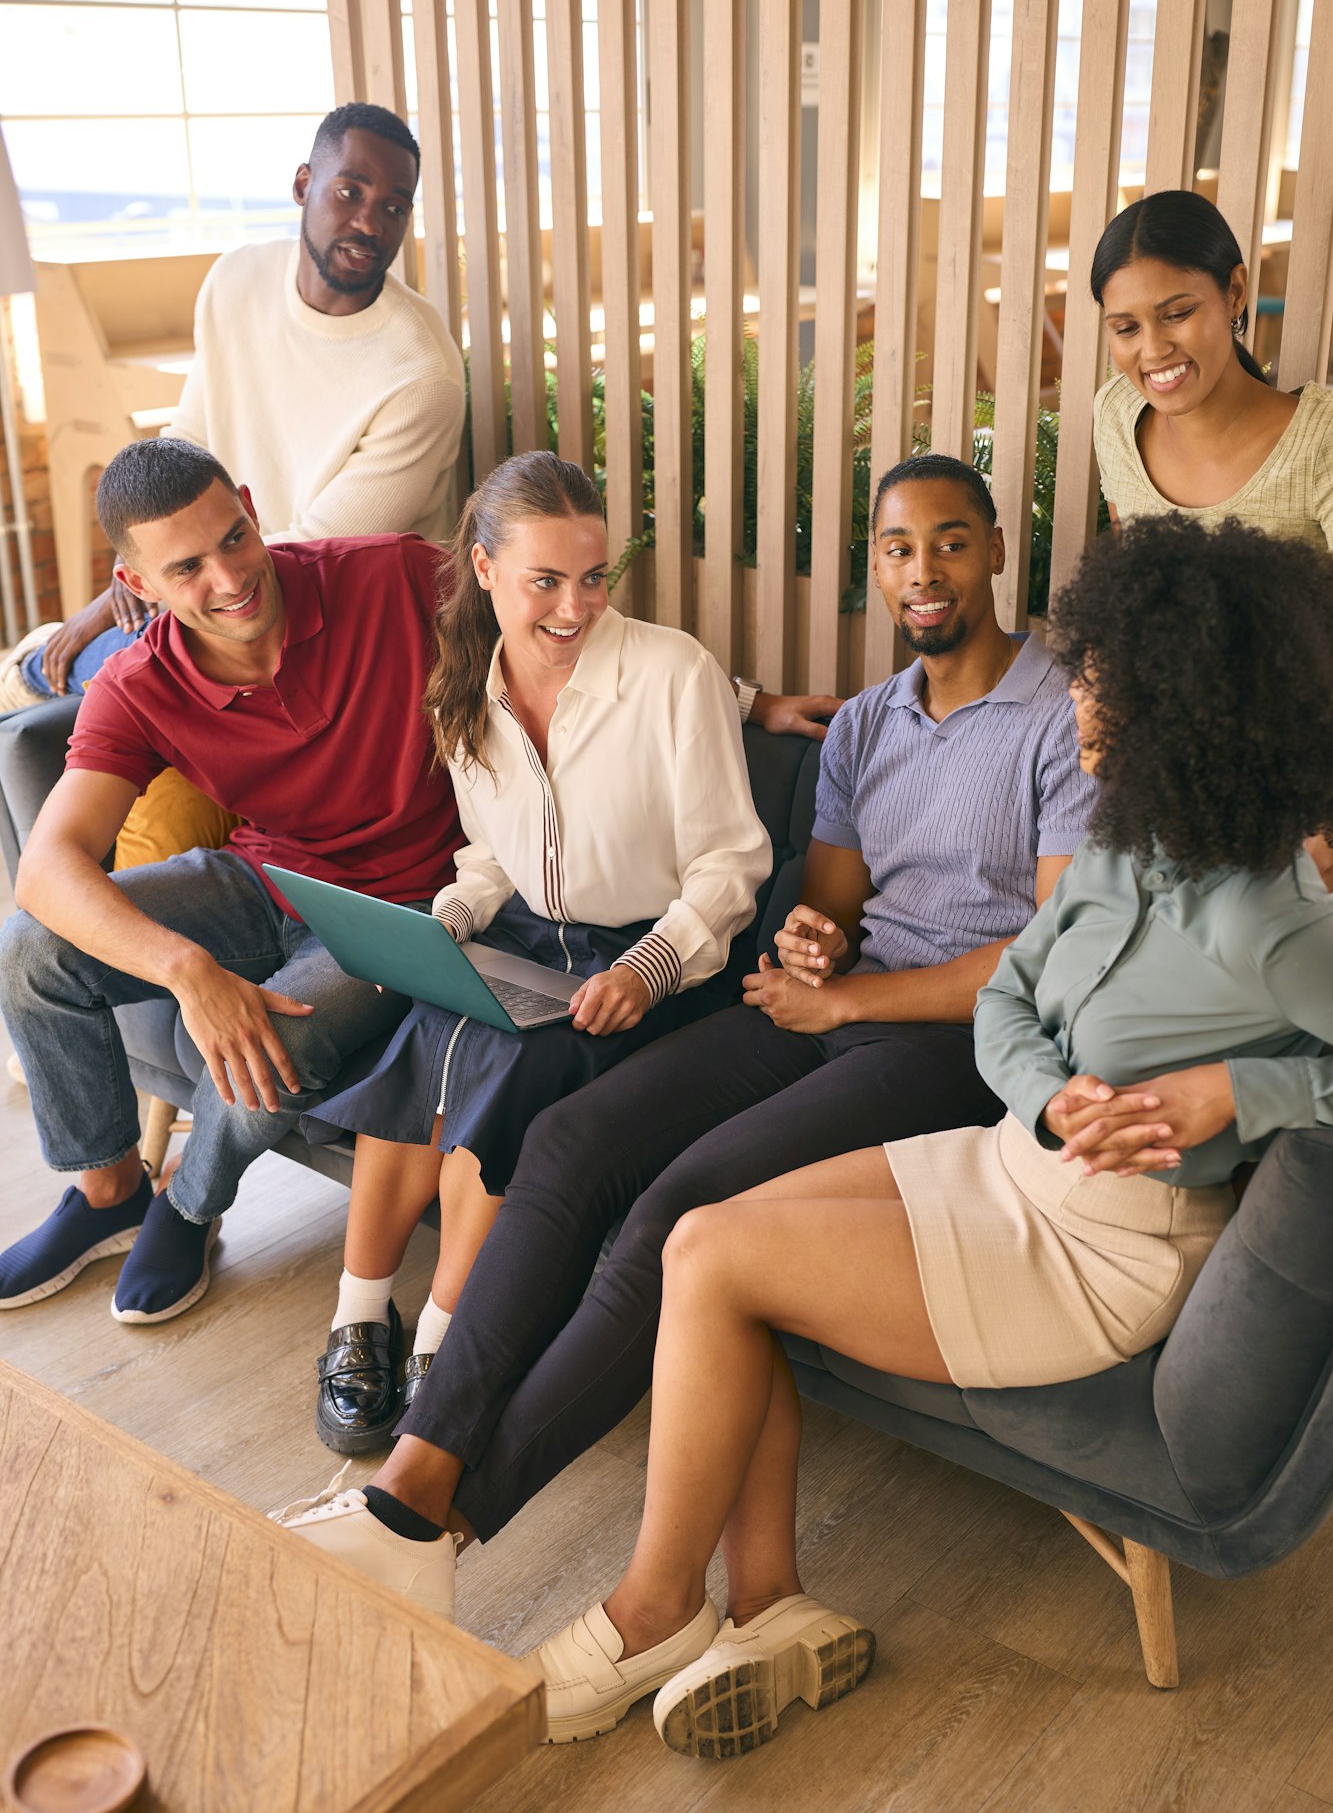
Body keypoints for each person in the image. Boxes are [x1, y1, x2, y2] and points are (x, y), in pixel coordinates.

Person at [511, 512, 1333, 1756]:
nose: (1078, 694)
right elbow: (1006, 999)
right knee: (703, 1235)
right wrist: (1046, 1090)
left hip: (1099, 1249)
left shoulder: (1281, 910)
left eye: (1102, 675)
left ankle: (652, 1611)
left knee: (717, 1264)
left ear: (1184, 695)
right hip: (1007, 1162)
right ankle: (771, 1606)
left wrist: (1239, 1092)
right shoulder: (1125, 837)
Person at [272, 452, 1097, 1617]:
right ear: (877, 563)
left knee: (672, 1207)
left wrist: (840, 997)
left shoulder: (1063, 715)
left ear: (999, 550)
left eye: (953, 541)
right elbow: (831, 910)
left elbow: (1048, 959)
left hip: (953, 1047)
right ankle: (413, 1468)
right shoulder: (863, 727)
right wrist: (816, 948)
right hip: (822, 1012)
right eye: (901, 547)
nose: (925, 571)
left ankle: (427, 1519)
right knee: (564, 1142)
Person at [301, 450, 771, 1456]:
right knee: (428, 1033)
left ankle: (443, 1339)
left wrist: (646, 969)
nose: (574, 605)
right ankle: (358, 1312)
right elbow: (489, 856)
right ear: (484, 569)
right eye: (545, 580)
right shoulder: (464, 693)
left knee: (508, 1065)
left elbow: (730, 867)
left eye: (593, 576)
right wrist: (453, 917)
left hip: (654, 959)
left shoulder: (671, 673)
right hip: (526, 940)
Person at [0, 438, 462, 1322]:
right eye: (187, 567)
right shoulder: (139, 683)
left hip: (403, 905)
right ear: (136, 586)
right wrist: (188, 971)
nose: (229, 578)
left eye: (235, 538)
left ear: (250, 506)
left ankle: (186, 1204)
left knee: (265, 1050)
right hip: (262, 880)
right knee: (30, 949)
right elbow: (48, 867)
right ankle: (108, 1196)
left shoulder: (392, 574)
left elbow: (553, 628)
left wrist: (743, 701)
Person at [8, 102, 467, 705]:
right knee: (73, 666)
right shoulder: (236, 280)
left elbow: (316, 550)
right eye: (349, 191)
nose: (369, 223)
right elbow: (188, 442)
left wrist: (160, 583)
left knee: (52, 673)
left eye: (393, 207)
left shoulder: (421, 372)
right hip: (220, 585)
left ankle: (24, 679)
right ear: (304, 185)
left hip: (328, 616)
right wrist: (141, 568)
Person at [1091, 188, 1333, 548]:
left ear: (1234, 292)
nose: (1154, 350)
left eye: (1177, 315)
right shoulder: (1116, 413)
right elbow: (1130, 588)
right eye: (1127, 329)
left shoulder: (1321, 445)